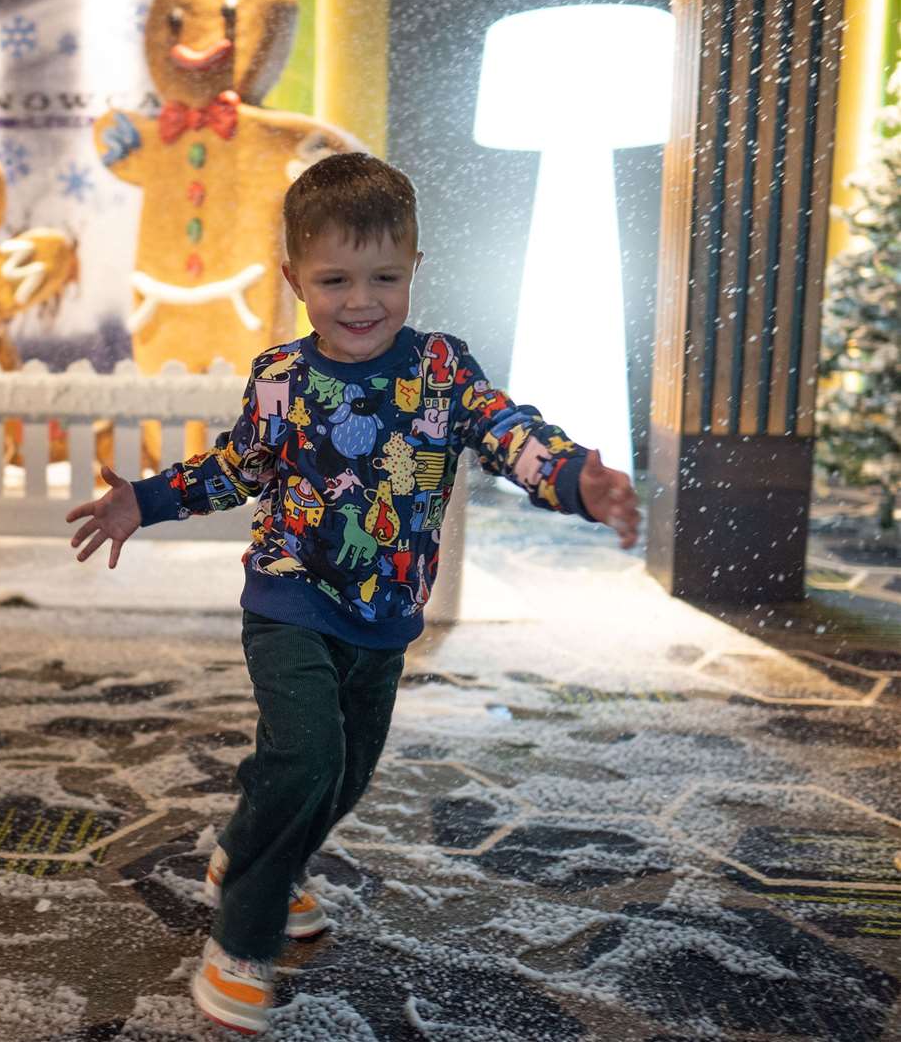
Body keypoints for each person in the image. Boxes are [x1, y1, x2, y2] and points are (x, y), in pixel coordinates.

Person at [65, 151, 640, 1035]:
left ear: (415, 268)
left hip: (386, 617)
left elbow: (507, 431)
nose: (360, 299)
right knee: (306, 757)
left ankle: (254, 847)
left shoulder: (444, 371)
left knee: (343, 773)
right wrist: (142, 501)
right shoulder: (281, 379)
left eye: (384, 275)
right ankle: (243, 938)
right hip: (289, 598)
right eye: (334, 278)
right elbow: (236, 468)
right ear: (295, 278)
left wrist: (573, 480)